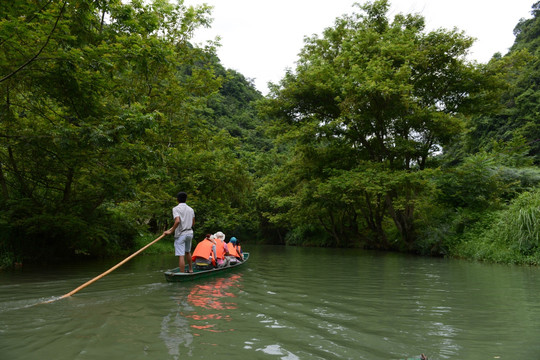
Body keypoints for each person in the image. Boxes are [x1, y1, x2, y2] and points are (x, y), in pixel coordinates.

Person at [163, 192, 195, 273]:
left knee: (181, 255)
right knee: (188, 252)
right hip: (189, 233)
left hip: (181, 234)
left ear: (177, 199)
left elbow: (177, 221)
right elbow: (193, 223)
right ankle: (191, 269)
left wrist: (171, 231)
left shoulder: (176, 209)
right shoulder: (191, 209)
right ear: (186, 199)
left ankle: (182, 273)